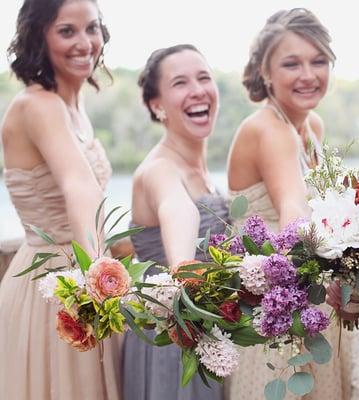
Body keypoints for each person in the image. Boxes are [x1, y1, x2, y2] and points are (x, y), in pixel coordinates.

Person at [226, 8, 351, 400]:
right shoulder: (267, 129)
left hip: (309, 302)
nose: (309, 75)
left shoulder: (311, 127)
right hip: (274, 315)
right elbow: (294, 214)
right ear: (266, 72)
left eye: (318, 61)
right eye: (292, 63)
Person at [0, 0, 120, 399]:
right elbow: (78, 186)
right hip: (56, 282)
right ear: (39, 36)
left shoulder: (74, 104)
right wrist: (98, 284)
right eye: (66, 30)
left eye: (92, 28)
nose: (85, 42)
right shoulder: (38, 105)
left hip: (85, 265)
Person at [121, 45, 227, 400]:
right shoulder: (158, 169)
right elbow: (178, 209)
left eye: (204, 78)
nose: (197, 90)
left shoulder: (203, 170)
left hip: (211, 327)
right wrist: (184, 271)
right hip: (172, 336)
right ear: (157, 105)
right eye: (180, 83)